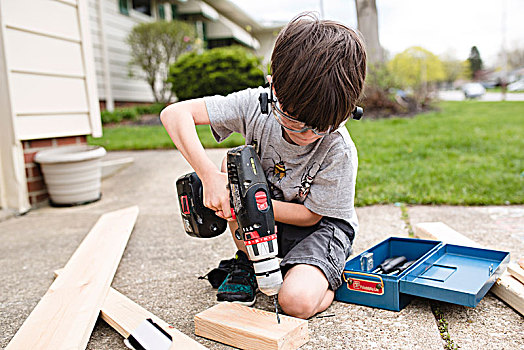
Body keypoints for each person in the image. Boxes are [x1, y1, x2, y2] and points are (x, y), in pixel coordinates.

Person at [160, 13, 367, 319]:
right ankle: (246, 260)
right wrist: (209, 177)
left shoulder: (339, 150)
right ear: (274, 88)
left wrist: (246, 203)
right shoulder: (254, 105)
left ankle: (329, 274)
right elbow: (175, 114)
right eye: (294, 120)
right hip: (270, 218)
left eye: (320, 127)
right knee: (232, 165)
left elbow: (311, 216)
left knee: (295, 302)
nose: (306, 135)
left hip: (320, 228)